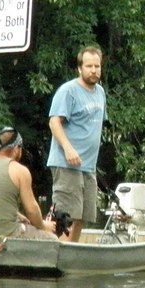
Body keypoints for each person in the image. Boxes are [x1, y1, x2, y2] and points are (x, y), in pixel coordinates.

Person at [47, 45, 106, 242]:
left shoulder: (100, 92)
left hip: (88, 166)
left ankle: (72, 253)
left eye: (97, 66)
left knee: (83, 216)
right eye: (89, 66)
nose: (94, 70)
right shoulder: (68, 91)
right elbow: (54, 122)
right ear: (79, 68)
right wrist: (68, 148)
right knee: (66, 217)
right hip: (66, 163)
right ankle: (59, 254)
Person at [0, 127, 57, 240]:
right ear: (17, 148)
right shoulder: (20, 171)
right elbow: (32, 211)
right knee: (52, 239)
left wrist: (16, 214)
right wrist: (43, 225)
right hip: (5, 233)